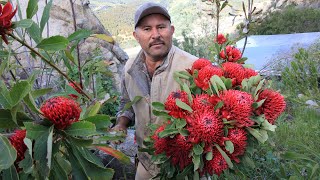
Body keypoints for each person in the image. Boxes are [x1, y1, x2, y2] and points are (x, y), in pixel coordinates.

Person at [113, 2, 198, 179]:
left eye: (161, 27)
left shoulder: (193, 68)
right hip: (147, 163)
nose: (156, 35)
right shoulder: (130, 68)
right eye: (147, 29)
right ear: (136, 36)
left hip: (185, 167)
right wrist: (121, 124)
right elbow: (127, 103)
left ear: (171, 30)